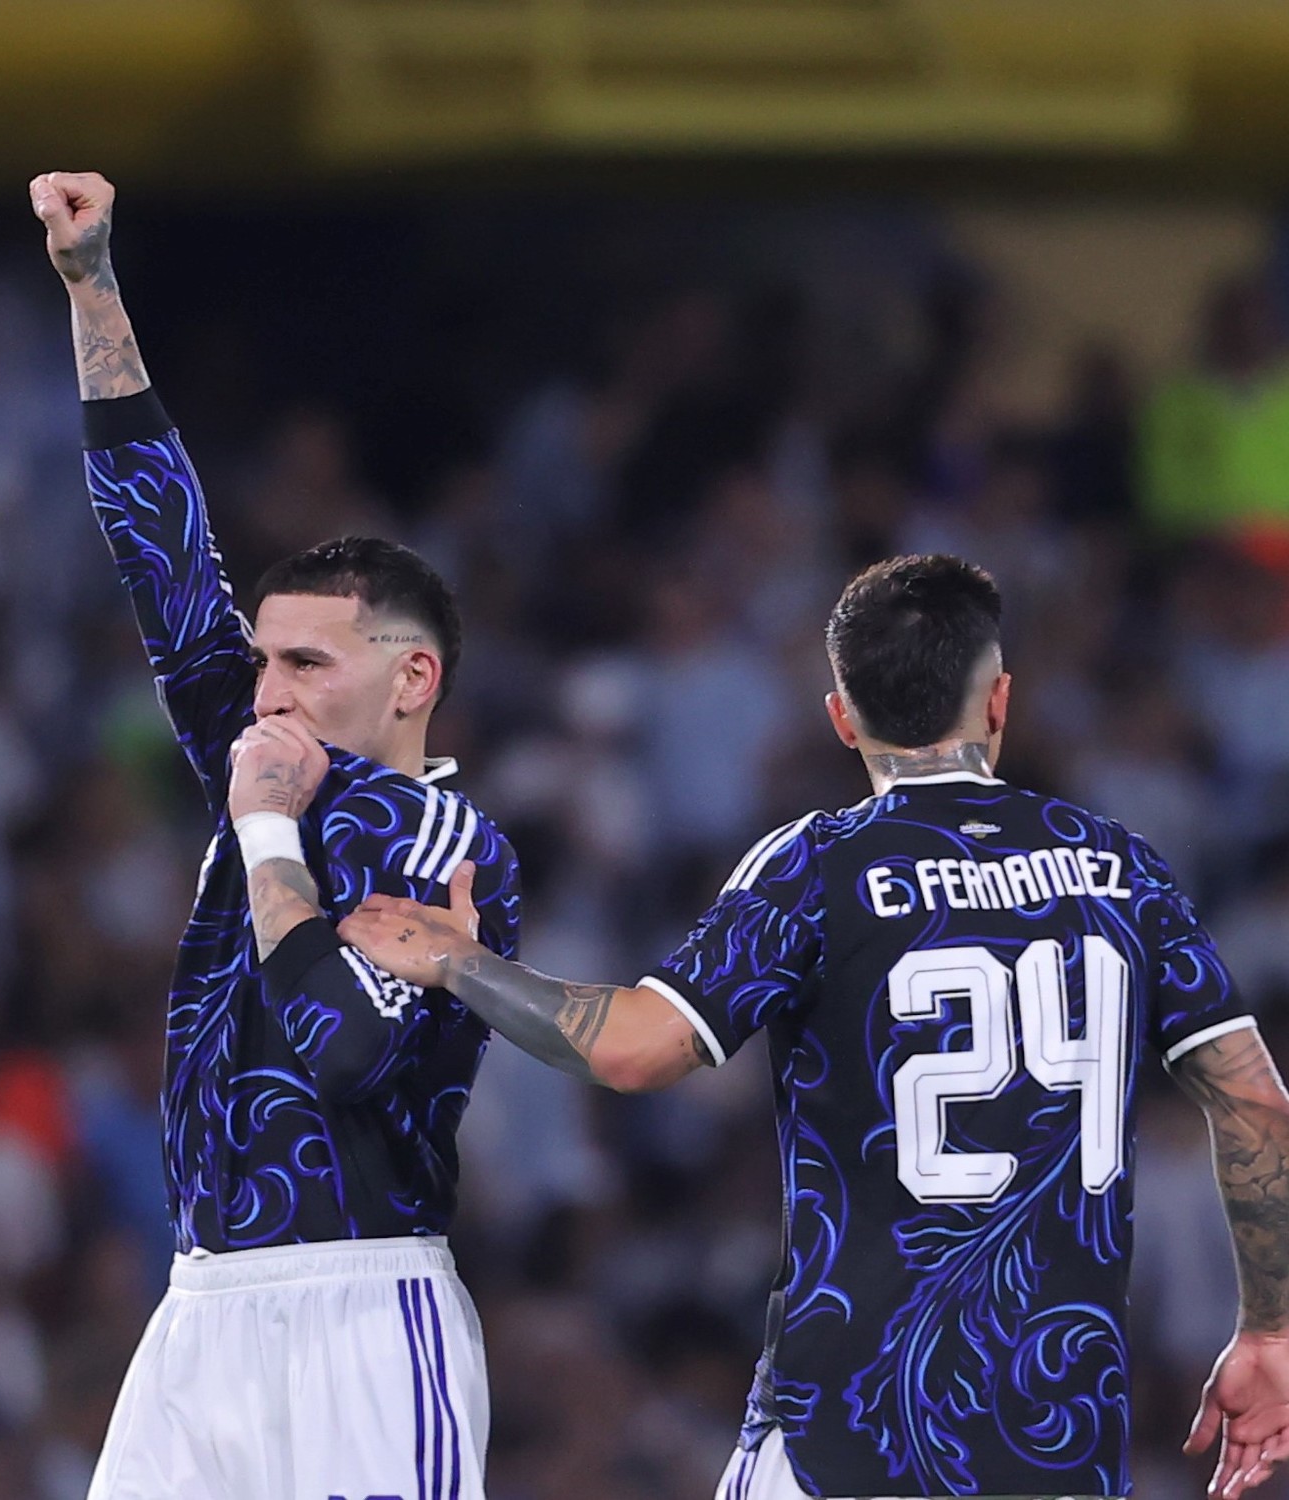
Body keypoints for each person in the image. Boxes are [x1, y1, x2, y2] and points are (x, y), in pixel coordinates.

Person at [339, 554, 1289, 1500]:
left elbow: (634, 1048)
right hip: (1058, 1440)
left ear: (843, 718)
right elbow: (1255, 1102)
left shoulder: (821, 867)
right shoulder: (1120, 868)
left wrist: (460, 961)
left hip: (855, 1430)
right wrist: (1271, 1331)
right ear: (999, 700)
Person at [30, 170, 522, 1500]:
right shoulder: (265, 762)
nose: (265, 694)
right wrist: (93, 289)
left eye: (306, 664)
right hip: (200, 1306)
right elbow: (162, 557)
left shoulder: (440, 841)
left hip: (361, 1311)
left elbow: (347, 1047)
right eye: (261, 662)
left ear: (411, 681)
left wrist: (261, 833)